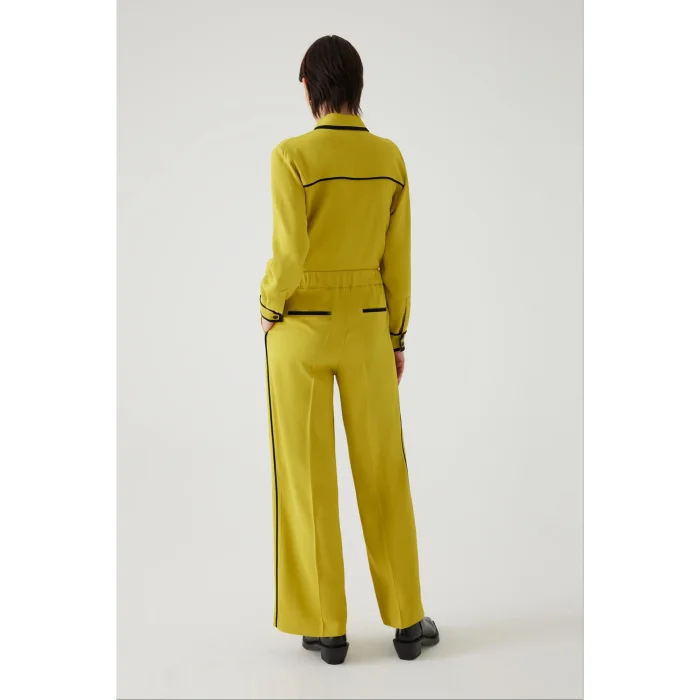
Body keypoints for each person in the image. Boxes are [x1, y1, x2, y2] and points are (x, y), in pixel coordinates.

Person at [259, 35, 438, 664]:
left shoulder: (291, 156)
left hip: (300, 329)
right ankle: (408, 622)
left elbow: (289, 256)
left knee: (306, 476)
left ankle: (327, 627)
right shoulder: (389, 158)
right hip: (367, 327)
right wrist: (396, 337)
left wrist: (268, 307)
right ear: (358, 87)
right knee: (384, 470)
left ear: (310, 87)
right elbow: (398, 262)